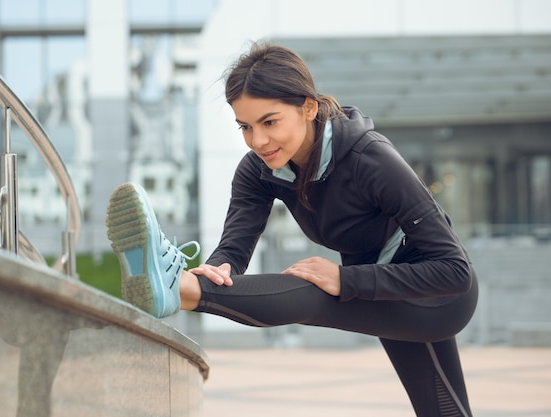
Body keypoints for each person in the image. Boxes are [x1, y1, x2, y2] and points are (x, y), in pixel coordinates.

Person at [106, 42, 478, 417]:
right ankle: (180, 283)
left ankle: (178, 288)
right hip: (379, 287)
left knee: (315, 288)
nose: (257, 141)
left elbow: (455, 270)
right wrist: (219, 266)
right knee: (443, 410)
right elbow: (234, 248)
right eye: (245, 127)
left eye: (270, 122)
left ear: (308, 108)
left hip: (436, 295)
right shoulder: (258, 170)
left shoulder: (372, 160)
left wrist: (345, 280)